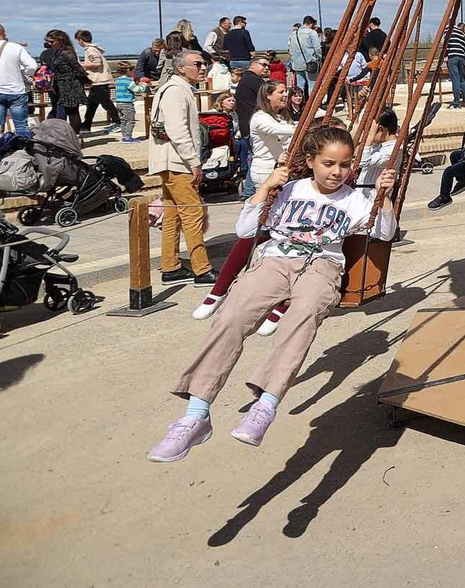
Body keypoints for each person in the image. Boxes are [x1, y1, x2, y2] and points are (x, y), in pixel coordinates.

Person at [147, 126, 397, 461]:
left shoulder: (353, 199)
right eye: (328, 163)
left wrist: (386, 195)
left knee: (304, 314)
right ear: (309, 161)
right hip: (276, 260)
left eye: (344, 165)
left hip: (322, 264)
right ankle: (196, 414)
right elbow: (246, 230)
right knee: (232, 315)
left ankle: (265, 405)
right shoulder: (288, 190)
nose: (337, 172)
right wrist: (266, 187)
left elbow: (384, 231)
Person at [149, 50, 216, 284]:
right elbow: (177, 131)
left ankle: (171, 265)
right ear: (181, 68)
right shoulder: (176, 91)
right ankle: (201, 268)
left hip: (172, 160)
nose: (203, 67)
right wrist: (194, 162)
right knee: (193, 212)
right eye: (197, 64)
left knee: (173, 214)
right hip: (177, 162)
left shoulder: (176, 88)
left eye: (204, 64)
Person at [233, 56, 269, 196]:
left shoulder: (246, 79)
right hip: (253, 127)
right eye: (263, 65)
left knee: (253, 158)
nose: (266, 68)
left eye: (268, 66)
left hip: (246, 126)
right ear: (252, 65)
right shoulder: (254, 80)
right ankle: (249, 192)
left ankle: (249, 191)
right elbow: (268, 98)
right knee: (256, 159)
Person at [74, 29, 119, 133]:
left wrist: (82, 65)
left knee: (106, 102)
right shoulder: (93, 49)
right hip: (95, 81)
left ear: (80, 40)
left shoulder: (91, 50)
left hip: (99, 80)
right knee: (92, 104)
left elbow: (97, 63)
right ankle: (86, 125)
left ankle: (117, 121)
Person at [39, 29, 88, 122]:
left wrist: (86, 80)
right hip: (61, 85)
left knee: (72, 112)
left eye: (51, 41)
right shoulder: (58, 52)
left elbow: (77, 67)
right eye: (47, 41)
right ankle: (64, 131)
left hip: (70, 85)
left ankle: (75, 134)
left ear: (60, 40)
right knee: (64, 109)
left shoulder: (67, 52)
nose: (49, 44)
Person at [287, 17, 323, 96]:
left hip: (297, 64)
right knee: (312, 85)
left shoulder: (292, 35)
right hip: (311, 62)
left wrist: (293, 62)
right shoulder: (311, 33)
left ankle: (300, 104)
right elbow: (317, 48)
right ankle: (313, 105)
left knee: (300, 85)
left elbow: (290, 51)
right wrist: (319, 59)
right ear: (311, 24)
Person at [445, 22, 465, 108]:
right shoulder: (461, 33)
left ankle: (456, 102)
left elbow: (446, 45)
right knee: (462, 80)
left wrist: (445, 56)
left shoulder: (448, 31)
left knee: (455, 80)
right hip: (461, 57)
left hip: (453, 57)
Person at [112, 62, 141, 143]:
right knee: (130, 121)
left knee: (123, 121)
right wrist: (143, 85)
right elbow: (137, 90)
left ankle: (124, 136)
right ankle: (128, 137)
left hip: (118, 103)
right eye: (133, 71)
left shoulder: (118, 80)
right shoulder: (128, 81)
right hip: (127, 104)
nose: (133, 73)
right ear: (128, 70)